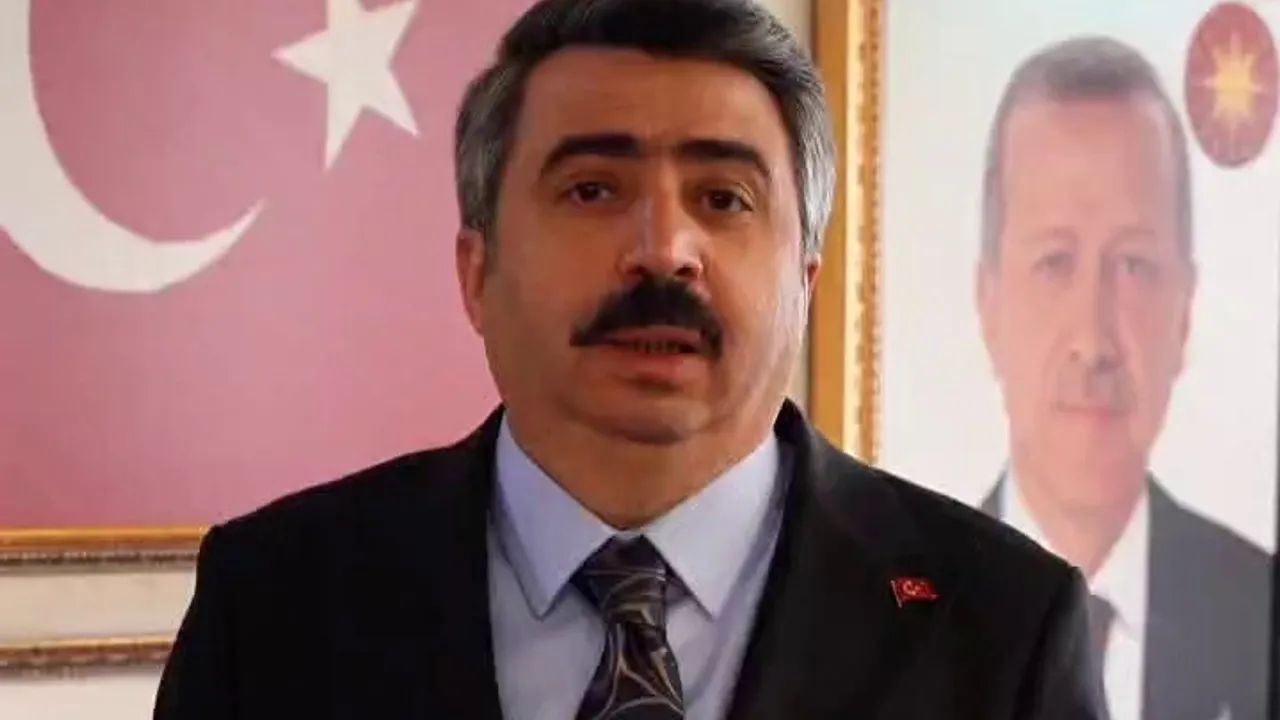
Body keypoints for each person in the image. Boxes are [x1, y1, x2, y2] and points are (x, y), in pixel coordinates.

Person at [153, 1, 1106, 717]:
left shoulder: (1001, 625)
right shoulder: (276, 601)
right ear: (477, 273)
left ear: (805, 281)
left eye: (724, 198)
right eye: (593, 189)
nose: (663, 251)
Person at [972, 36, 1272, 720]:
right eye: (1054, 262)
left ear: (1184, 312)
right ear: (989, 307)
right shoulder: (901, 616)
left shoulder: (1262, 610)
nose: (1093, 341)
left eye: (1134, 266)